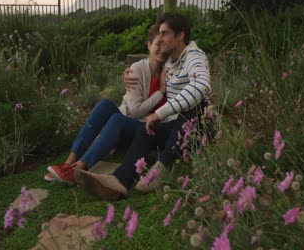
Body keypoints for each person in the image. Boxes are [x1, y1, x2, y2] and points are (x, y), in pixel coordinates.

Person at [74, 13, 212, 201]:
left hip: (199, 127)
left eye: (164, 33)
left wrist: (159, 113)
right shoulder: (171, 61)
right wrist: (127, 74)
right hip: (176, 129)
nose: (160, 38)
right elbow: (148, 64)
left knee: (194, 105)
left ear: (180, 35)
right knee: (147, 129)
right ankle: (119, 181)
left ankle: (163, 167)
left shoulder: (193, 57)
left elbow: (201, 86)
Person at [44, 24, 168, 184]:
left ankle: (77, 170)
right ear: (149, 45)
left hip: (146, 129)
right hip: (130, 121)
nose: (162, 49)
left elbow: (137, 114)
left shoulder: (170, 69)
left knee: (117, 119)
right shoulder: (138, 69)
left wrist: (162, 90)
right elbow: (135, 111)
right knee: (105, 104)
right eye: (158, 43)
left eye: (165, 45)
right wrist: (160, 92)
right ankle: (69, 162)